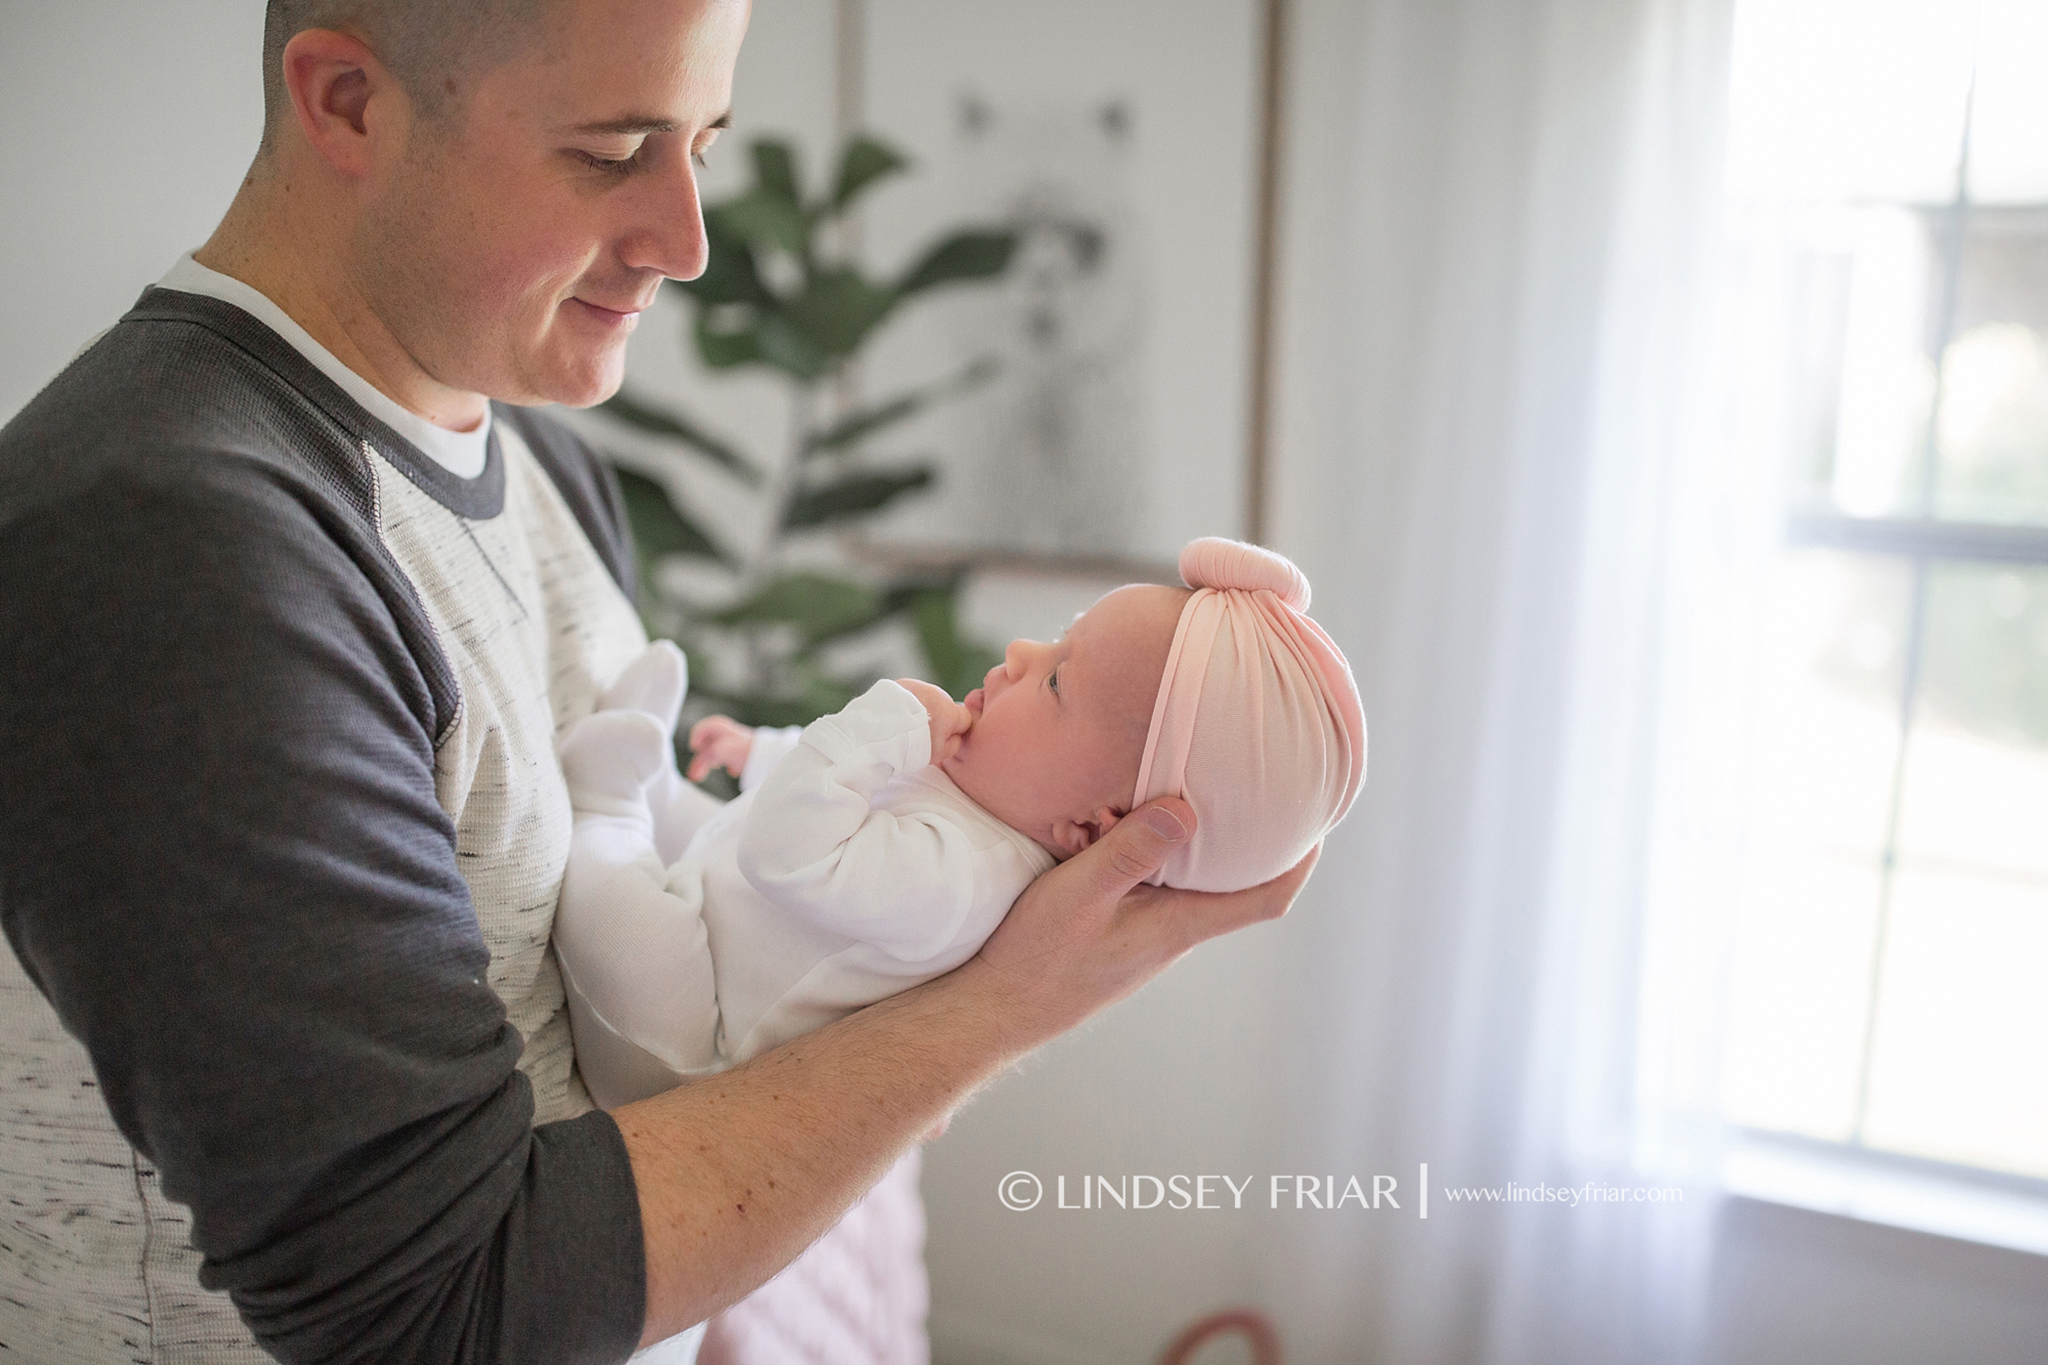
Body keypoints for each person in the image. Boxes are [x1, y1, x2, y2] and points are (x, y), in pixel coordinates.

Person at [0, 2, 1316, 1363]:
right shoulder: (169, 542)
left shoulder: (534, 453)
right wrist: (1005, 1006)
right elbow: (432, 1315)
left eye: (704, 143)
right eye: (615, 150)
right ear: (346, 102)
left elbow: (629, 1035)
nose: (686, 240)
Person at [553, 539, 1366, 1104]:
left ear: (1092, 826)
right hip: (716, 919)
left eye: (1054, 684)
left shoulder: (963, 882)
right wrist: (762, 750)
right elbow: (822, 798)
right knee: (699, 824)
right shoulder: (974, 791)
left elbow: (785, 849)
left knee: (627, 920)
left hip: (680, 1044)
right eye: (1055, 641)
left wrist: (888, 720)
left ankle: (611, 807)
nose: (1019, 653)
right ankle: (655, 781)